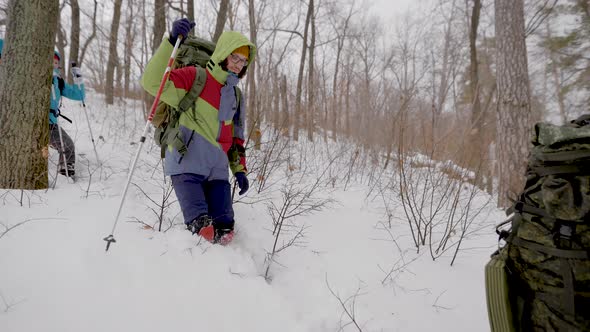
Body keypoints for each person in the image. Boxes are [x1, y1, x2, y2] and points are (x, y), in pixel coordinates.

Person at [141, 18, 255, 244]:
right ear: (223, 53)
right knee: (202, 231)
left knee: (226, 232)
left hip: (218, 173)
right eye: (234, 57)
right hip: (187, 166)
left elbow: (236, 138)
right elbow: (152, 82)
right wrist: (171, 41)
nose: (237, 64)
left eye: (243, 61)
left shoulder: (236, 96)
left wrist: (240, 170)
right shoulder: (197, 76)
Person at [50, 50, 85, 177]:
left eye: (55, 62)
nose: (53, 64)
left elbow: (79, 95)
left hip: (50, 124)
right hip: (32, 123)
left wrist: (78, 79)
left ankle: (66, 174)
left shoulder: (58, 82)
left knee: (67, 145)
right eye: (50, 61)